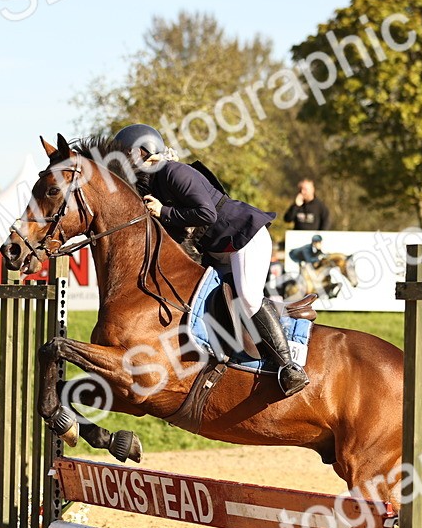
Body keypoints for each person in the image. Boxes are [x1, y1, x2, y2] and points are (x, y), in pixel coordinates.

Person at [113, 123, 308, 397]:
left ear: (145, 152)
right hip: (220, 250)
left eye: (127, 157)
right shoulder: (155, 184)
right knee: (200, 302)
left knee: (248, 298)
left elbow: (207, 215)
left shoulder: (173, 171)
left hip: (243, 237)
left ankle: (288, 367)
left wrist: (164, 210)